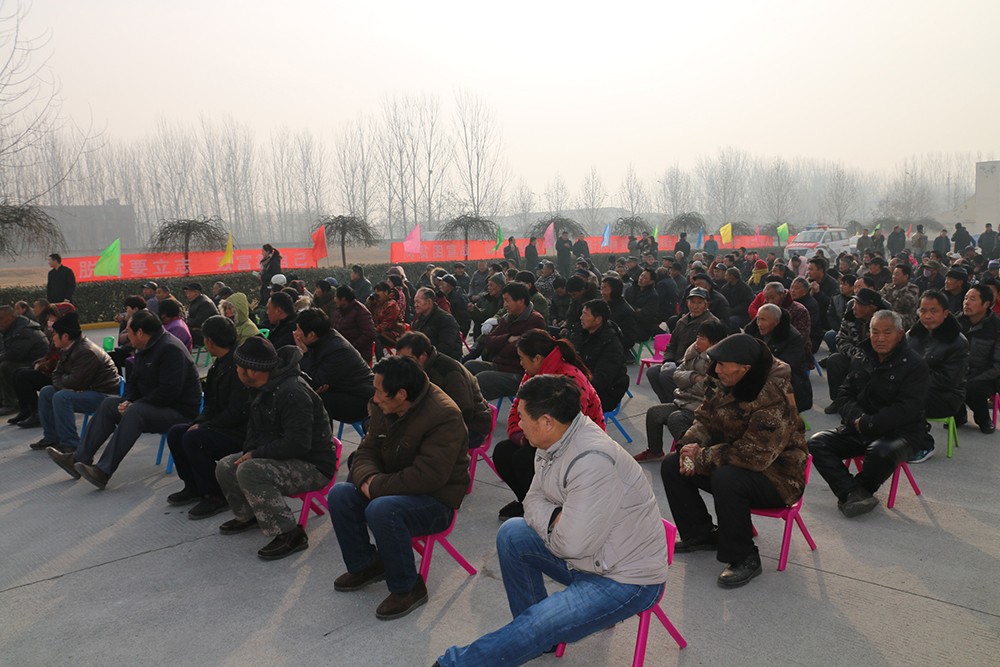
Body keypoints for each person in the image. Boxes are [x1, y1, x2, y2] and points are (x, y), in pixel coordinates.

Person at [435, 375, 668, 667]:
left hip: (625, 578)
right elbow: (531, 500)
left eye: (522, 416)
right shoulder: (555, 440)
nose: (518, 423)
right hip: (591, 557)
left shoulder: (591, 459)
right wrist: (554, 520)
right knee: (512, 533)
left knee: (538, 622)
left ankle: (454, 664)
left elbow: (570, 545)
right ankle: (541, 636)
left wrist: (555, 521)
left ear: (546, 421)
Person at [328, 355, 469, 619]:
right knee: (340, 494)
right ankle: (366, 564)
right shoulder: (384, 406)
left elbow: (427, 477)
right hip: (391, 487)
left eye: (379, 392)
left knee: (382, 509)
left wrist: (375, 486)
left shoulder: (444, 415)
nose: (375, 398)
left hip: (435, 500)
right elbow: (365, 451)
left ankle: (408, 587)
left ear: (401, 395)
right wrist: (368, 480)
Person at [661, 334, 807, 587]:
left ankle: (744, 557)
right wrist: (688, 446)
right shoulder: (723, 381)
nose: (716, 370)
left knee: (727, 478)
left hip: (778, 477)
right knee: (673, 464)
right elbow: (704, 419)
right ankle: (701, 534)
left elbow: (754, 456)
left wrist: (700, 456)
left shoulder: (774, 395)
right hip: (734, 461)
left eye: (722, 365)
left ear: (745, 368)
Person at [46, 310, 202, 489]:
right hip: (153, 405)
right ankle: (78, 459)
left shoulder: (170, 349)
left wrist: (135, 404)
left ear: (140, 332)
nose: (126, 336)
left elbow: (169, 392)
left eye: (129, 331)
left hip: (179, 411)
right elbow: (133, 382)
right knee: (108, 404)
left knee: (136, 411)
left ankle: (103, 471)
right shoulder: (145, 347)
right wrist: (127, 400)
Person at [215, 338, 337, 560]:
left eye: (239, 366)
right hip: (286, 455)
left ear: (252, 370)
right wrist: (250, 452)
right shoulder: (261, 387)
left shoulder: (292, 392)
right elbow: (255, 430)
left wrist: (256, 454)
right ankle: (250, 515)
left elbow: (298, 443)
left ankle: (290, 533)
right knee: (226, 466)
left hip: (313, 465)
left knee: (250, 470)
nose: (236, 370)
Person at [809, 310, 930, 518]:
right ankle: (851, 492)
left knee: (879, 451)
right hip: (860, 425)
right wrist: (858, 419)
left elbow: (906, 409)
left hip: (901, 431)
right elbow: (844, 394)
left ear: (900, 334)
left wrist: (869, 423)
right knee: (817, 442)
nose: (880, 338)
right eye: (875, 332)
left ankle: (860, 490)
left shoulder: (915, 365)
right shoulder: (862, 355)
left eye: (887, 332)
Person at [492, 330, 606, 521]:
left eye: (521, 358)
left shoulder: (570, 378)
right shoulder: (531, 375)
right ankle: (527, 502)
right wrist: (520, 435)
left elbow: (568, 427)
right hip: (541, 435)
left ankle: (553, 510)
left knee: (524, 459)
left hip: (577, 443)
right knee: (503, 452)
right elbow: (517, 408)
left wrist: (532, 440)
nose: (520, 363)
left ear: (537, 358)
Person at [164, 316, 250, 519]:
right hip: (221, 425)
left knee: (194, 439)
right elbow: (210, 404)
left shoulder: (239, 367)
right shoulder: (217, 366)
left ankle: (216, 495)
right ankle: (193, 486)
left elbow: (237, 412)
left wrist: (206, 426)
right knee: (177, 433)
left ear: (210, 341)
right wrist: (199, 422)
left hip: (241, 431)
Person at [635, 321, 728, 463]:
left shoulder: (719, 363)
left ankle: (690, 457)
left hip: (701, 407)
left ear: (714, 343)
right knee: (654, 413)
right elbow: (677, 374)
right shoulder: (692, 353)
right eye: (698, 336)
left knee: (676, 418)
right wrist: (693, 377)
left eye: (702, 338)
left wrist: (686, 384)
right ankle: (655, 452)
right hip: (684, 401)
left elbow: (708, 388)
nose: (697, 341)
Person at [30, 312, 120, 453]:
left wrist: (67, 384)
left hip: (104, 395)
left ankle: (70, 443)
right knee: (47, 392)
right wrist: (65, 384)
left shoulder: (86, 351)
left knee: (62, 397)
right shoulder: (68, 348)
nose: (52, 338)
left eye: (55, 334)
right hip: (86, 390)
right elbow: (56, 374)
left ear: (65, 336)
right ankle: (51, 438)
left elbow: (75, 383)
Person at [395, 331, 491, 448]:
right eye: (399, 358)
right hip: (439, 420)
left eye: (406, 358)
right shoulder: (416, 368)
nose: (402, 363)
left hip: (471, 426)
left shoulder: (448, 371)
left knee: (416, 445)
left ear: (423, 356)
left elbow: (464, 410)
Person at [904, 290, 968, 462]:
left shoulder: (958, 342)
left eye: (933, 311)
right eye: (923, 311)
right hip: (915, 386)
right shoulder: (912, 334)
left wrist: (910, 382)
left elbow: (947, 379)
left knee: (908, 398)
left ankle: (924, 445)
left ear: (945, 313)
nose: (927, 316)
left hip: (946, 395)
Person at [464, 282, 546, 400]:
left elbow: (520, 350)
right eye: (504, 301)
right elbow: (489, 342)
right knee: (469, 366)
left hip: (520, 373)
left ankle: (476, 409)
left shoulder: (535, 321)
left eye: (507, 301)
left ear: (521, 301)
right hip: (501, 365)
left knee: (483, 379)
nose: (505, 305)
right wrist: (507, 339)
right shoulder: (506, 318)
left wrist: (501, 346)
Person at [294, 308, 375, 425]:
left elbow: (315, 381)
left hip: (363, 400)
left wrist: (304, 354)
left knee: (315, 401)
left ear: (311, 335)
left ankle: (323, 437)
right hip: (342, 391)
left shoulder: (337, 349)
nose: (295, 333)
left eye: (298, 329)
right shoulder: (319, 341)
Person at [645, 287, 721, 403]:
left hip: (694, 365)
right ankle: (667, 402)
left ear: (707, 305)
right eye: (692, 302)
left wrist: (680, 364)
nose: (695, 306)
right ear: (687, 303)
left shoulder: (711, 323)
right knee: (652, 372)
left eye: (699, 303)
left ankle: (677, 403)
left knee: (666, 376)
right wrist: (668, 360)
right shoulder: (682, 321)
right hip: (676, 363)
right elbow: (672, 344)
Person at [823, 288, 887, 414]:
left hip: (876, 360)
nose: (854, 307)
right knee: (834, 360)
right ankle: (838, 400)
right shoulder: (850, 317)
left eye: (859, 304)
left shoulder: (883, 321)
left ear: (871, 308)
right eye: (855, 303)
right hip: (854, 355)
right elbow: (841, 339)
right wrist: (856, 353)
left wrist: (864, 357)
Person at [744, 303, 812, 411]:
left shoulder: (792, 337)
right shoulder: (753, 331)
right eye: (758, 319)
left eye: (763, 320)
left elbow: (786, 366)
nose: (759, 324)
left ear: (776, 322)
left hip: (786, 380)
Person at [571, 299, 629, 412]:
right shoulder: (581, 333)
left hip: (605, 393)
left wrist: (574, 385)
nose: (581, 317)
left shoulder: (611, 344)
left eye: (585, 314)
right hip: (582, 383)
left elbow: (601, 379)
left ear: (598, 320)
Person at [956, 285, 1000, 433]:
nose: (966, 302)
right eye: (965, 298)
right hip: (960, 371)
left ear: (986, 304)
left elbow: (997, 366)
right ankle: (959, 414)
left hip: (988, 376)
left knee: (972, 387)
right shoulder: (957, 322)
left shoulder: (996, 327)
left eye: (972, 299)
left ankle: (983, 419)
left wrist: (974, 377)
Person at [0, 305, 49, 417]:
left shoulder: (24, 330)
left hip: (37, 363)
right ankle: (5, 401)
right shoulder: (11, 328)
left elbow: (15, 354)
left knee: (5, 367)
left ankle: (11, 403)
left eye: (1, 318)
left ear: (12, 317)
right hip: (26, 360)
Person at [327, 285, 376, 363]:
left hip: (358, 354)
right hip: (340, 350)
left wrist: (351, 346)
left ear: (343, 299)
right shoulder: (338, 311)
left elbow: (370, 334)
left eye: (336, 297)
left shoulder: (360, 311)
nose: (334, 300)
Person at [411, 287, 462, 361]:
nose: (415, 305)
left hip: (444, 361)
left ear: (429, 302)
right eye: (415, 302)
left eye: (418, 302)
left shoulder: (446, 319)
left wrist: (425, 359)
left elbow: (446, 347)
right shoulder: (419, 320)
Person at [600, 275, 638, 353]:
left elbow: (629, 340)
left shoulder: (626, 311)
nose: (602, 292)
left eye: (605, 289)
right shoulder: (601, 305)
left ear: (615, 290)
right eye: (601, 288)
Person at [625, 269, 664, 341]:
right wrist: (636, 309)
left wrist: (629, 307)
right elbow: (623, 304)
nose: (641, 278)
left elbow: (644, 315)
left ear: (651, 282)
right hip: (627, 322)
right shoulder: (630, 289)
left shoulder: (653, 296)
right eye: (641, 275)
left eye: (645, 278)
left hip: (642, 328)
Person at [182, 282, 219, 347]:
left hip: (207, 335)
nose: (187, 295)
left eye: (189, 293)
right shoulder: (196, 301)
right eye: (186, 293)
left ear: (197, 293)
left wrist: (186, 322)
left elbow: (198, 322)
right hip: (200, 331)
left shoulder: (204, 303)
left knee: (182, 330)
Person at [721, 267, 755, 331]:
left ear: (732, 276)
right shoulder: (725, 288)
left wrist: (732, 311)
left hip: (742, 314)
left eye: (726, 275)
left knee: (732, 320)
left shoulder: (745, 288)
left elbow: (747, 304)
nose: (725, 277)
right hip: (729, 312)